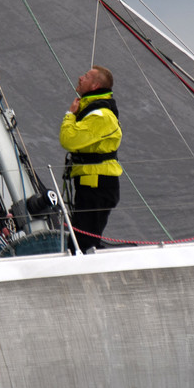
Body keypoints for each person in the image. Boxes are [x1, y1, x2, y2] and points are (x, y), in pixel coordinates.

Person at [59, 65, 122, 252]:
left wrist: (70, 115)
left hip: (97, 185)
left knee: (83, 244)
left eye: (86, 76)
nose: (80, 77)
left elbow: (68, 140)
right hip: (91, 183)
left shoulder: (101, 115)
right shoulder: (91, 111)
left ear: (95, 86)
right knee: (79, 242)